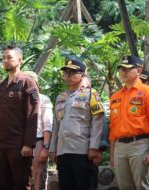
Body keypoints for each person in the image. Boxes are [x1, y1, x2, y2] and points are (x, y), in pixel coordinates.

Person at [109, 55, 149, 190]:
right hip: (120, 147)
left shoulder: (148, 93)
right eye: (121, 69)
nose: (123, 72)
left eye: (127, 69)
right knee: (124, 186)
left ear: (138, 71)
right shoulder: (116, 97)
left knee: (142, 186)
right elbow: (113, 128)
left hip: (140, 145)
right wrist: (112, 154)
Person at [49, 59, 104, 190]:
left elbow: (98, 121)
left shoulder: (91, 93)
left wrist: (94, 147)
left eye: (73, 72)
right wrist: (52, 148)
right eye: (66, 72)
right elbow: (56, 125)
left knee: (84, 186)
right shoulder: (61, 97)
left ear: (83, 75)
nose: (68, 75)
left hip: (82, 150)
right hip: (63, 151)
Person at [0, 45, 39, 190]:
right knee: (3, 185)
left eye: (9, 57)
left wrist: (28, 144)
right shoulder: (0, 86)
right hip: (0, 146)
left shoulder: (27, 82)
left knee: (21, 184)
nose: (5, 60)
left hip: (18, 146)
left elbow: (33, 114)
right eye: (3, 58)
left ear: (19, 59)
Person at [23, 71, 53, 190]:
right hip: (21, 144)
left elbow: (48, 125)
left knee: (38, 178)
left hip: (38, 142)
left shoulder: (43, 99)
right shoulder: (20, 100)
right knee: (24, 180)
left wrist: (45, 148)